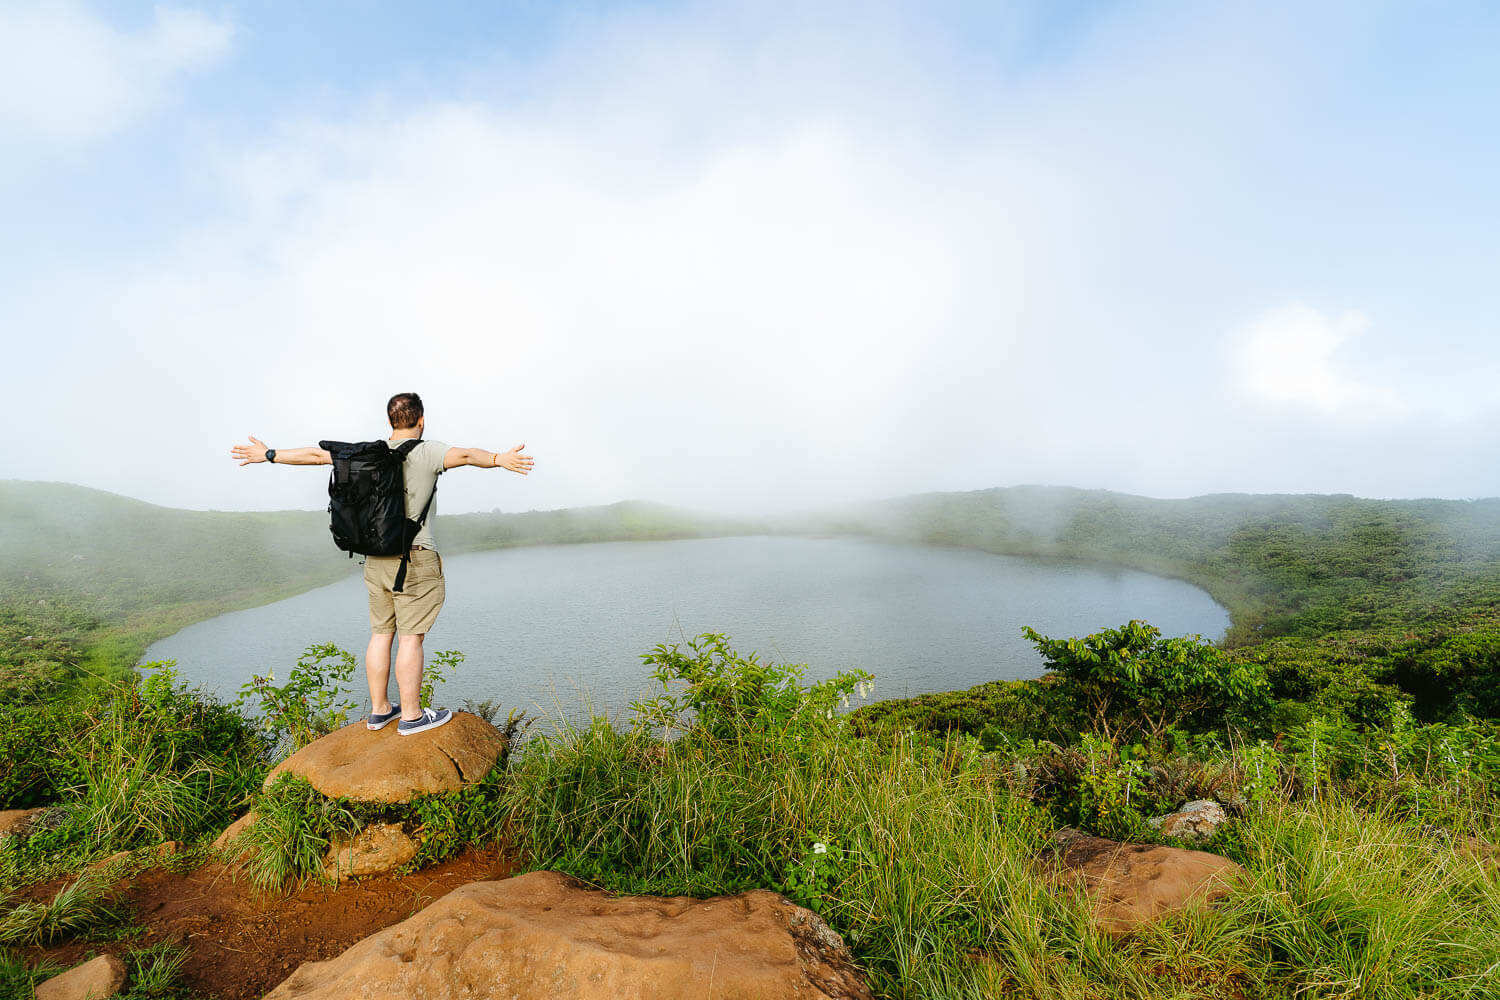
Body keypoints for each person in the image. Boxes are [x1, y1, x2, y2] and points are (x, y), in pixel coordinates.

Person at [230, 392, 533, 735]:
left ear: (390, 422)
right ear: (421, 420)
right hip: (414, 557)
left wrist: (268, 454)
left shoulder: (366, 454)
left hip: (375, 558)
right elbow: (465, 454)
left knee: (380, 634)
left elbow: (315, 454)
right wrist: (499, 458)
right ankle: (413, 717)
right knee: (410, 639)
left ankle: (380, 710)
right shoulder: (428, 450)